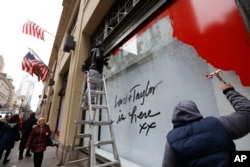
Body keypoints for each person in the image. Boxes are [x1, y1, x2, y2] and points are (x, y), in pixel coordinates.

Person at [162, 82, 250, 167]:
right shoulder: (219, 124)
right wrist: (229, 91)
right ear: (196, 110)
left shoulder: (172, 140)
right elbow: (247, 113)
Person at [83, 42, 111, 109]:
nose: (103, 48)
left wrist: (105, 59)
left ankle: (89, 101)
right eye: (102, 47)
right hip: (95, 71)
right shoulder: (97, 50)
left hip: (93, 71)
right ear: (100, 47)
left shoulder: (94, 51)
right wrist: (106, 63)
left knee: (93, 86)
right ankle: (87, 102)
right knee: (92, 86)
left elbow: (98, 59)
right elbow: (98, 58)